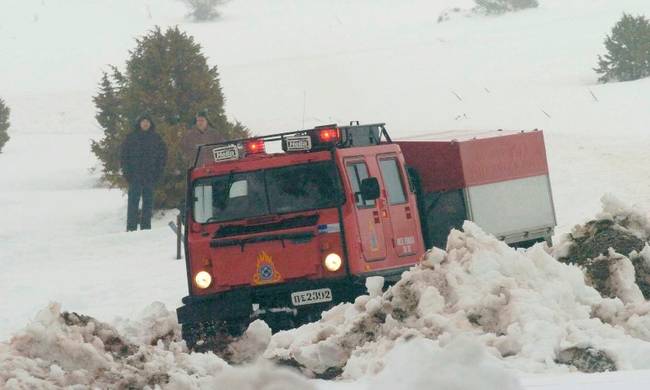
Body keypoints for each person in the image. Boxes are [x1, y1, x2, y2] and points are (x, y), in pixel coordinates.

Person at [120, 115, 167, 231]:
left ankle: (146, 227)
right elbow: (123, 157)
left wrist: (158, 173)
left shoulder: (156, 138)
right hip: (134, 176)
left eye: (147, 122)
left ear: (150, 124)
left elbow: (163, 157)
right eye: (143, 121)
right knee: (133, 203)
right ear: (139, 123)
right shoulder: (131, 137)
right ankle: (131, 228)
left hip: (150, 176)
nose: (145, 124)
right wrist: (127, 173)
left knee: (148, 203)